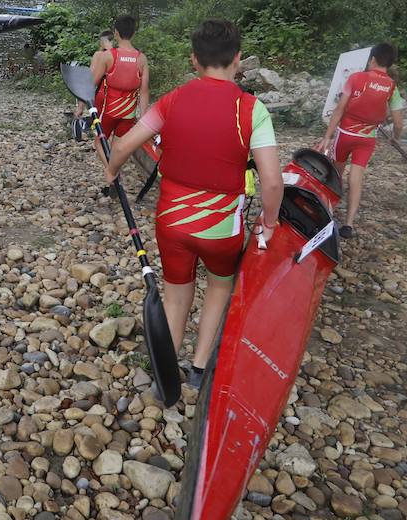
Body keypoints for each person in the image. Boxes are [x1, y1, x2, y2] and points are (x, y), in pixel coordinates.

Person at [104, 20, 282, 390]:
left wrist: (112, 171)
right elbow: (271, 181)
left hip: (172, 222)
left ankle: (164, 376)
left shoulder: (172, 100)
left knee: (176, 294)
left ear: (194, 60)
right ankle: (199, 369)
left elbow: (124, 145)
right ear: (238, 59)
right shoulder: (252, 109)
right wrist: (269, 223)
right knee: (218, 287)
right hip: (222, 228)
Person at [317, 42, 404, 240]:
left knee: (336, 173)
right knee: (356, 177)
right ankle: (348, 224)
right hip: (367, 139)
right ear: (390, 64)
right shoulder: (392, 87)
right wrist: (395, 138)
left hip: (345, 134)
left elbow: (339, 110)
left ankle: (328, 212)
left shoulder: (355, 78)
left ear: (372, 59)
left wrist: (327, 136)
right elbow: (398, 123)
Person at [90, 16, 149, 161]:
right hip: (129, 113)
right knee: (118, 146)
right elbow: (144, 91)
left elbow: (93, 83)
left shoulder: (108, 56)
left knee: (99, 142)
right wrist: (143, 117)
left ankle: (110, 170)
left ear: (116, 33)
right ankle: (115, 170)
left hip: (109, 110)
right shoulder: (141, 59)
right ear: (133, 33)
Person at [73, 30, 115, 141]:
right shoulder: (123, 54)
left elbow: (89, 80)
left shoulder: (99, 55)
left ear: (102, 42)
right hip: (122, 98)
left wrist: (80, 107)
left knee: (102, 124)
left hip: (104, 94)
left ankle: (86, 124)